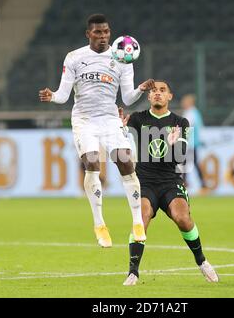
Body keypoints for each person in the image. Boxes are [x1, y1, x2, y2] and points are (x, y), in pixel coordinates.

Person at [39, 14, 155, 247]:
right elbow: (63, 96)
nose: (103, 37)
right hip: (84, 120)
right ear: (88, 34)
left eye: (106, 32)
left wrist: (141, 88)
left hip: (110, 119)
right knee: (92, 162)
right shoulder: (74, 58)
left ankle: (137, 222)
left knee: (126, 162)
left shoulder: (122, 58)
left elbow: (128, 97)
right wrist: (52, 96)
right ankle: (99, 224)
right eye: (98, 33)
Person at [119, 80, 219, 285]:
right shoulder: (137, 119)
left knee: (182, 218)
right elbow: (118, 141)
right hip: (144, 181)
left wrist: (173, 144)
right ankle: (133, 272)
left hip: (170, 181)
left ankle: (202, 261)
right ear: (148, 96)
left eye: (162, 90)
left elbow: (179, 158)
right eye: (154, 90)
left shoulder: (180, 122)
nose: (157, 93)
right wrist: (118, 128)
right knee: (142, 217)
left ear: (170, 97)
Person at [180, 94, 209, 194]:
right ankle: (198, 184)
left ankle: (186, 183)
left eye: (185, 102)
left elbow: (187, 126)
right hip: (190, 143)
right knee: (189, 163)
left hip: (190, 144)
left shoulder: (192, 113)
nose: (183, 103)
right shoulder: (192, 112)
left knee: (187, 163)